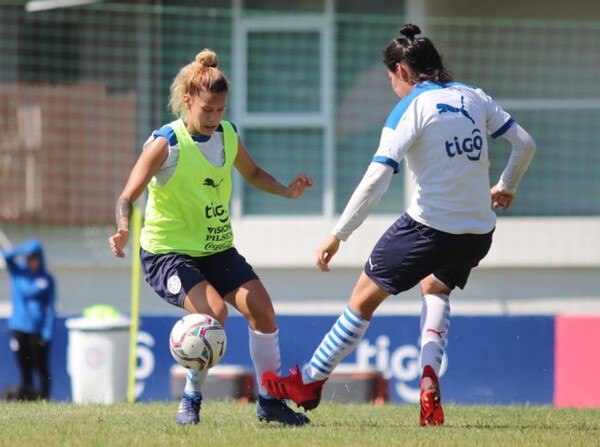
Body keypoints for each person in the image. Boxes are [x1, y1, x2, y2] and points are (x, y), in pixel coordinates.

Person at [262, 23, 536, 426]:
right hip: (478, 232)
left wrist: (338, 235)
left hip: (428, 228)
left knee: (361, 300)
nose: (392, 86)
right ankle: (429, 380)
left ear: (403, 72)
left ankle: (309, 382)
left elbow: (377, 177)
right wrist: (506, 186)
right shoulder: (473, 96)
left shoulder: (411, 107)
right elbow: (525, 143)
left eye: (391, 78)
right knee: (435, 288)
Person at [108, 48, 313, 426]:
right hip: (167, 254)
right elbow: (127, 196)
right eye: (207, 110)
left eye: (220, 110)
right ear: (187, 100)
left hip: (216, 249)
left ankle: (269, 401)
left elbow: (252, 174)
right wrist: (123, 228)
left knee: (263, 309)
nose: (214, 118)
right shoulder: (165, 144)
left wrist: (286, 191)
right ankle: (192, 397)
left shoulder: (228, 135)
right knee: (213, 313)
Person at [2, 239, 56, 401]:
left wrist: (47, 332)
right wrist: (23, 249)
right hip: (19, 329)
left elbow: (51, 307)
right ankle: (28, 399)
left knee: (41, 367)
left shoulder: (46, 279)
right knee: (25, 368)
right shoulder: (18, 274)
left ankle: (45, 398)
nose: (31, 261)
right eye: (29, 257)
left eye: (34, 257)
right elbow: (6, 256)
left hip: (37, 331)